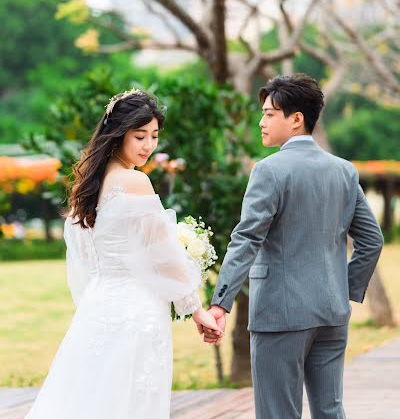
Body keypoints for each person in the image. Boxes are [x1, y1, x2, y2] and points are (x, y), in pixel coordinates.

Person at [25, 88, 222, 419]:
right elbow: (164, 256)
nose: (148, 145)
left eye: (154, 136)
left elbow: (86, 256)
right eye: (139, 135)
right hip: (137, 311)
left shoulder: (87, 186)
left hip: (98, 307)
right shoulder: (135, 182)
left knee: (89, 397)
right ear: (118, 134)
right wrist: (196, 310)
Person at [202, 74, 384, 418]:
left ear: (296, 118)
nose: (262, 121)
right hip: (331, 313)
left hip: (279, 316)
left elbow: (246, 239)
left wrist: (220, 303)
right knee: (330, 411)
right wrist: (344, 288)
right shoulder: (343, 171)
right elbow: (371, 240)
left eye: (270, 113)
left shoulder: (269, 171)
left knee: (277, 413)